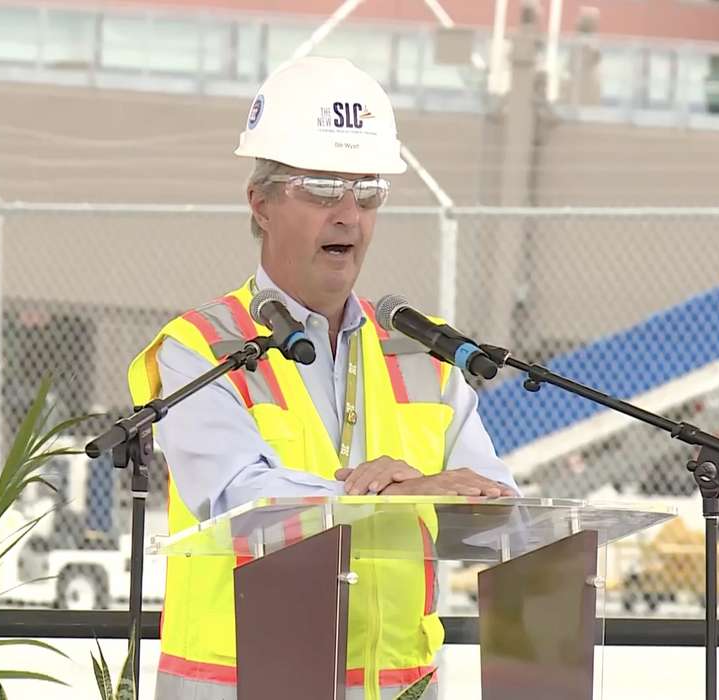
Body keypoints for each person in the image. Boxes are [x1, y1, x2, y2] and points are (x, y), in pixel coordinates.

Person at [127, 56, 519, 700]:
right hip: (242, 688)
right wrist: (392, 497)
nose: (349, 215)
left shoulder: (423, 349)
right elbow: (237, 499)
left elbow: (496, 506)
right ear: (260, 203)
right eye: (321, 189)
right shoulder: (199, 348)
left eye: (367, 193)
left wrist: (443, 494)